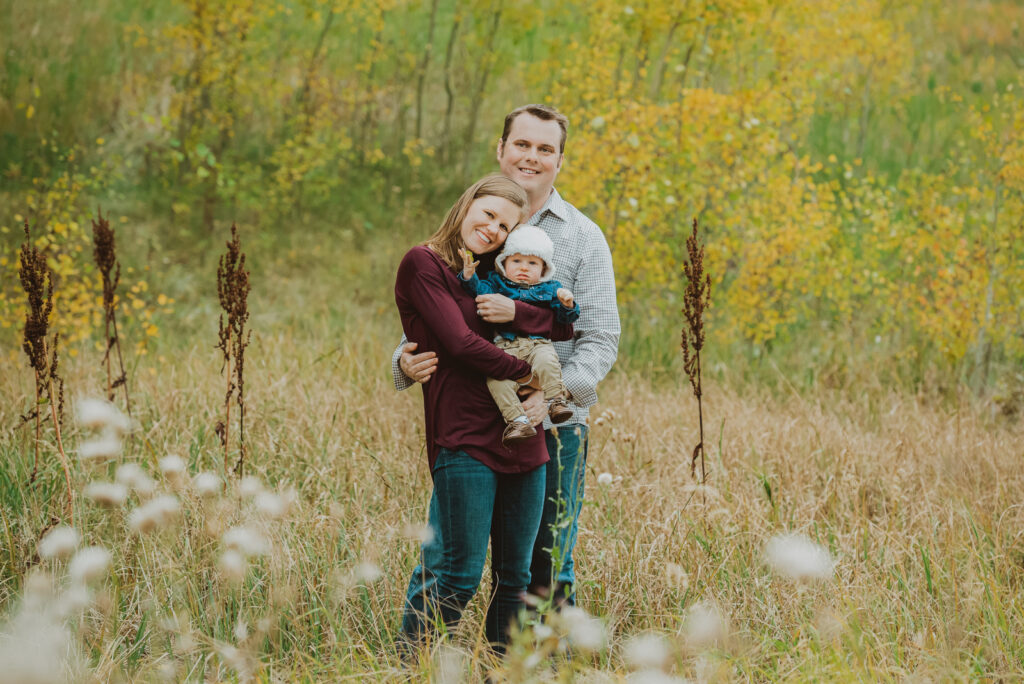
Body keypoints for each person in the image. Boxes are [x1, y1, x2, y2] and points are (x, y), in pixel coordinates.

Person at [394, 104, 620, 607]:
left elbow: (602, 338)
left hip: (555, 428)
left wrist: (551, 395)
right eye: (522, 144)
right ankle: (414, 667)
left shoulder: (583, 238)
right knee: (448, 560)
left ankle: (533, 669)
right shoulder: (480, 230)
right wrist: (403, 364)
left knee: (545, 568)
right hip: (474, 421)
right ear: (500, 149)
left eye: (545, 149)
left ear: (560, 160)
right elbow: (441, 317)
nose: (531, 158)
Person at [394, 174, 574, 653]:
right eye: (488, 214)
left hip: (525, 439)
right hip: (465, 436)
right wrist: (529, 374)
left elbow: (558, 324)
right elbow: (457, 343)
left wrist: (520, 322)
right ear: (467, 203)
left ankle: (503, 669)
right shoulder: (423, 263)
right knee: (457, 574)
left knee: (516, 579)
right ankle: (412, 666)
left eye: (505, 225)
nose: (493, 228)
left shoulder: (493, 271)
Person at [458, 224, 580, 446]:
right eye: (516, 261)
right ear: (504, 263)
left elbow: (565, 321)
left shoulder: (550, 288)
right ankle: (517, 420)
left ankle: (555, 400)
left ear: (543, 269)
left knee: (547, 361)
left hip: (537, 344)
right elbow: (480, 293)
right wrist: (469, 276)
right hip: (506, 347)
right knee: (496, 382)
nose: (524, 268)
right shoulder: (497, 283)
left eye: (532, 263)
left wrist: (567, 304)